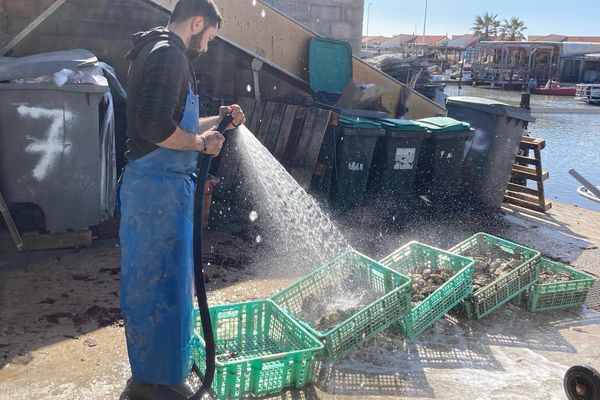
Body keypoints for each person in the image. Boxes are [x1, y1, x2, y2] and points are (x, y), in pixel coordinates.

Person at [119, 1, 245, 398]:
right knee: (161, 288)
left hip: (161, 190)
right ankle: (157, 382)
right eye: (209, 37)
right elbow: (155, 127)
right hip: (156, 192)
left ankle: (160, 371)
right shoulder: (168, 56)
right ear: (196, 23)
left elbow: (174, 123)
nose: (207, 46)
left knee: (168, 286)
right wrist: (201, 142)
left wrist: (218, 120)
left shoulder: (160, 52)